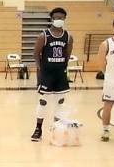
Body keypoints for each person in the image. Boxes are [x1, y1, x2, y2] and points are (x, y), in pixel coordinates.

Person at [30, 8, 73, 142]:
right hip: (46, 73)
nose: (58, 19)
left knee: (60, 102)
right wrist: (40, 69)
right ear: (52, 18)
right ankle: (38, 129)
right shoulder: (44, 36)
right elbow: (36, 54)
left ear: (64, 18)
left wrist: (63, 68)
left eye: (61, 17)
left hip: (60, 73)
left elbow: (67, 54)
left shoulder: (68, 36)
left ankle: (56, 127)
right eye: (56, 17)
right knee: (43, 101)